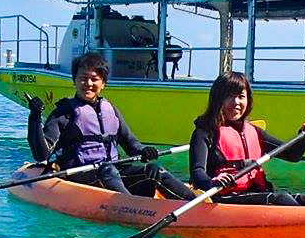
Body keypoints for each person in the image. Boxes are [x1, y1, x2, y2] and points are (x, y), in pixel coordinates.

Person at [30, 52, 193, 200]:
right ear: (74, 81)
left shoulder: (110, 109)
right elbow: (41, 155)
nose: (88, 83)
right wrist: (35, 118)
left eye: (94, 79)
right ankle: (133, 208)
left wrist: (144, 150)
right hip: (81, 174)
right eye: (82, 78)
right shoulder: (63, 113)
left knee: (155, 170)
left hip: (114, 173)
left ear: (103, 84)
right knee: (108, 170)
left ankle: (195, 203)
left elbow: (132, 145)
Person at [189, 71, 305, 206]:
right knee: (281, 199)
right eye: (229, 96)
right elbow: (197, 174)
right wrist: (212, 182)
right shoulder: (204, 132)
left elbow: (293, 155)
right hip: (224, 198)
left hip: (255, 193)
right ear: (217, 99)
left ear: (248, 100)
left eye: (241, 96)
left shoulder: (255, 132)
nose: (236, 102)